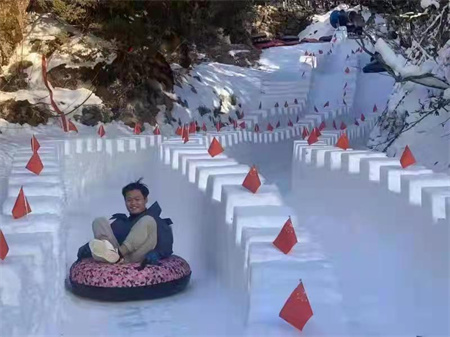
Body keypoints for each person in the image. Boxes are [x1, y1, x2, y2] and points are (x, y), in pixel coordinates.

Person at [76, 178, 173, 268]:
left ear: (145, 199)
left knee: (148, 220)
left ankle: (118, 254)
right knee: (99, 221)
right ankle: (112, 256)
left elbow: (166, 245)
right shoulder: (123, 222)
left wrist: (156, 254)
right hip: (117, 257)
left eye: (137, 200)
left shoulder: (155, 220)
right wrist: (89, 247)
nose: (133, 203)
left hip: (138, 255)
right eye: (129, 200)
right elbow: (110, 237)